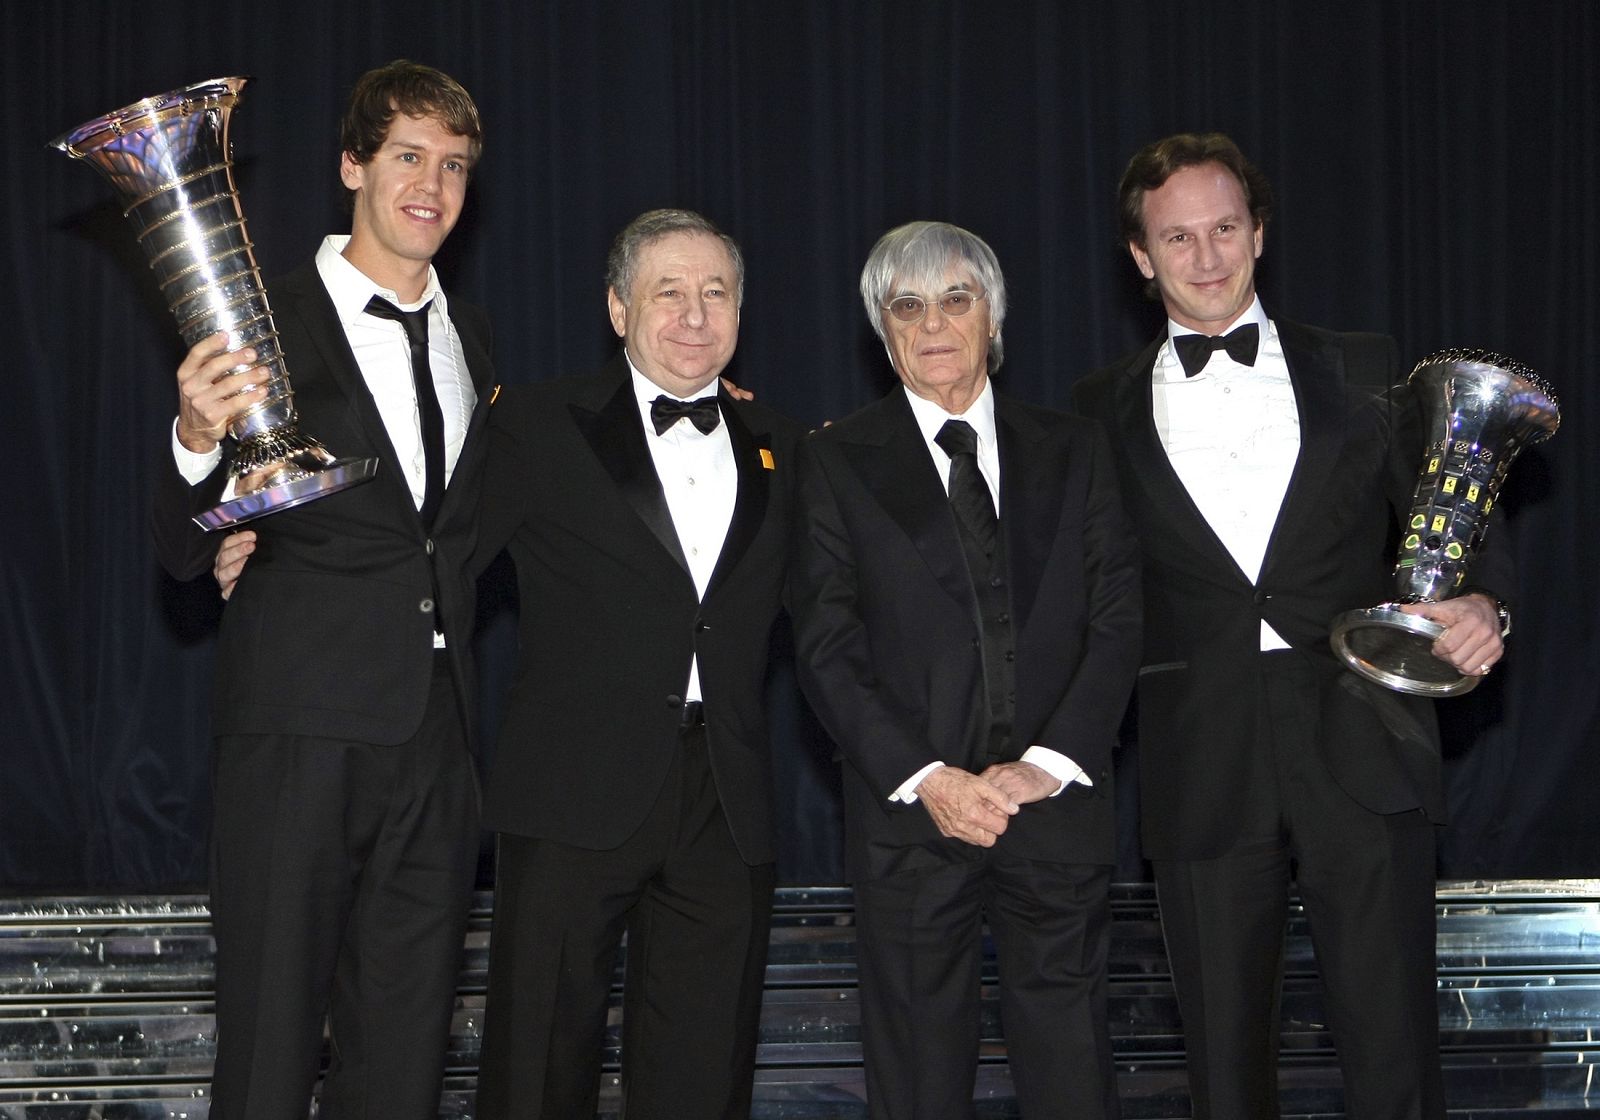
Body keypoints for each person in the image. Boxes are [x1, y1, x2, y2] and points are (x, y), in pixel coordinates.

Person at [1072, 132, 1511, 1119]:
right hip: (1200, 755)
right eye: (1176, 237)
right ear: (1140, 259)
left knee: (1392, 1048)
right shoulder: (1092, 410)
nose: (1207, 256)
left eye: (1225, 227)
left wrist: (1482, 600)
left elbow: (1452, 509)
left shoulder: (1363, 367)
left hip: (1363, 736)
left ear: (1259, 233)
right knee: (1224, 1071)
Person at [152, 61, 490, 1119]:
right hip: (297, 731)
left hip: (438, 742)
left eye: (454, 165)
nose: (431, 184)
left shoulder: (471, 339)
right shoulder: (260, 319)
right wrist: (195, 442)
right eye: (407, 157)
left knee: (401, 1059)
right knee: (267, 1045)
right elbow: (173, 545)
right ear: (353, 165)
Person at [790, 221, 1142, 1120]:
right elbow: (825, 646)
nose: (935, 322)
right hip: (911, 819)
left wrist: (1048, 764)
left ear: (995, 317)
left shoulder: (1078, 447)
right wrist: (927, 778)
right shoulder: (832, 462)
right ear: (882, 329)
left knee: (1073, 1075)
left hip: (1057, 810)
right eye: (908, 305)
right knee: (915, 1082)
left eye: (958, 298)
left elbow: (1116, 623)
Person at [470, 209, 804, 1119]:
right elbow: (436, 560)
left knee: (703, 1075)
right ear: (618, 308)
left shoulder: (787, 446)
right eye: (668, 292)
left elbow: (840, 613)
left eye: (715, 292)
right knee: (537, 1067)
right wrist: (271, 555)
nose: (694, 315)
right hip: (569, 790)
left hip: (724, 806)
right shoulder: (537, 425)